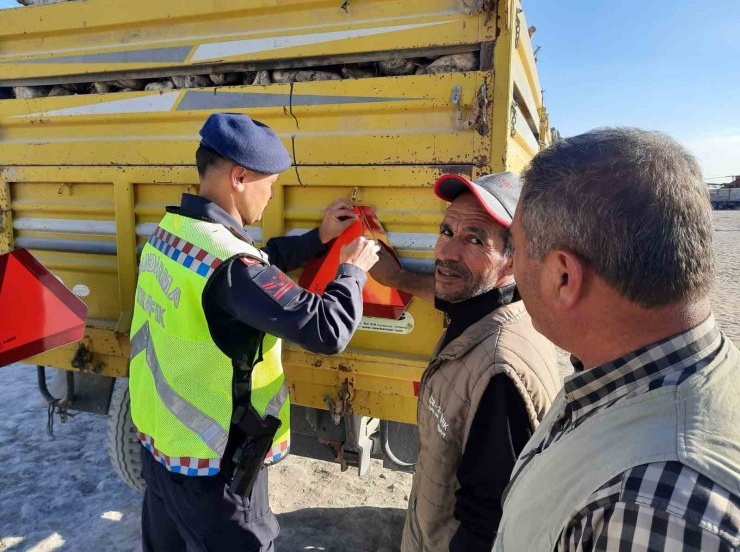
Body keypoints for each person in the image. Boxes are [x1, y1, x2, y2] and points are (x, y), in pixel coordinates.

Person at [128, 112, 380, 551]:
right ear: (240, 177)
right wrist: (352, 272)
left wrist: (317, 238)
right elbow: (326, 329)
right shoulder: (230, 268)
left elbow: (254, 267)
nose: (271, 195)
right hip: (216, 474)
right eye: (270, 183)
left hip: (162, 452)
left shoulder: (172, 234)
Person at [495, 128, 740, 550]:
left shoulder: (649, 507)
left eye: (513, 246)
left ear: (563, 277)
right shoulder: (631, 366)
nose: (510, 264)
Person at [370, 172, 560, 552]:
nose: (445, 252)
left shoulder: (499, 374)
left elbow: (489, 526)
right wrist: (396, 276)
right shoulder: (488, 305)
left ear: (514, 258)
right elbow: (442, 292)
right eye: (446, 231)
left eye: (474, 239)